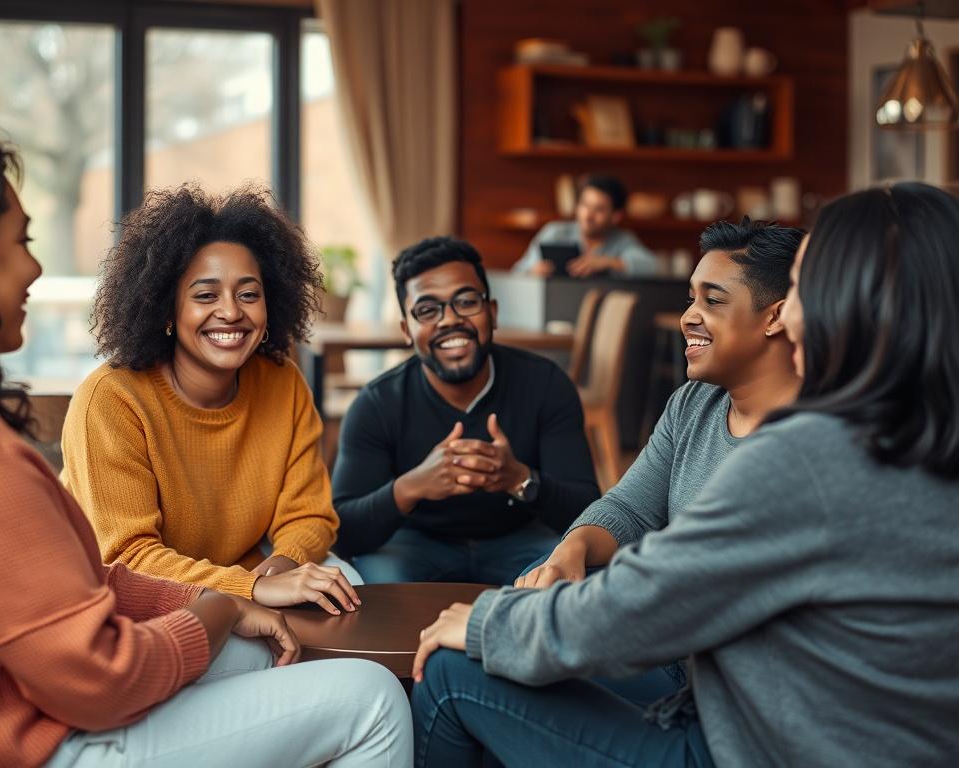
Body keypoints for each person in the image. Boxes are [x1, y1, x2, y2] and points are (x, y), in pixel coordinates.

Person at [410, 182, 959, 767]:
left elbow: (640, 607)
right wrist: (570, 552)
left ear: (844, 299)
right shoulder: (911, 438)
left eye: (805, 284)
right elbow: (637, 526)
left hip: (752, 744)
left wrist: (487, 624)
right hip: (803, 721)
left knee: (454, 669)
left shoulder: (809, 459)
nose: (797, 306)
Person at [0, 113, 411, 768]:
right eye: (21, 240)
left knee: (316, 617)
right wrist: (221, 607)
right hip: (53, 736)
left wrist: (247, 586)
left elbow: (89, 582)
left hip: (75, 685)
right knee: (371, 697)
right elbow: (105, 653)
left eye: (249, 293)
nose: (37, 265)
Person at [517, 217, 804, 705]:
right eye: (690, 299)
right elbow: (631, 508)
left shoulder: (812, 444)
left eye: (712, 301)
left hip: (726, 690)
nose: (689, 316)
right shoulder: (695, 403)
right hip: (666, 646)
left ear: (776, 317)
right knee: (528, 587)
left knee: (474, 666)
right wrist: (572, 548)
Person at [60, 184, 362, 617]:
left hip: (241, 577)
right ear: (166, 310)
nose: (231, 312)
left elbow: (309, 514)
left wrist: (282, 569)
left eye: (248, 293)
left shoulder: (282, 382)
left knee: (348, 585)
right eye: (205, 295)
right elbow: (130, 557)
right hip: (133, 603)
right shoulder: (110, 400)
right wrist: (252, 588)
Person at [332, 236, 599, 584]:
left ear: (492, 312)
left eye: (466, 301)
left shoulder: (546, 385)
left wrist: (521, 479)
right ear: (407, 331)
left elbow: (589, 512)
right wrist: (410, 487)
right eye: (428, 310)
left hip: (521, 539)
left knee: (575, 575)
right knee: (376, 586)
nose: (450, 320)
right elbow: (343, 532)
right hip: (414, 544)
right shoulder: (378, 403)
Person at [512, 173, 657, 278]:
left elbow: (651, 266)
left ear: (615, 216)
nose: (588, 215)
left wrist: (608, 262)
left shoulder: (622, 240)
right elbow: (517, 273)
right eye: (585, 205)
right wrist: (532, 272)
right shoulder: (555, 233)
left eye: (599, 209)